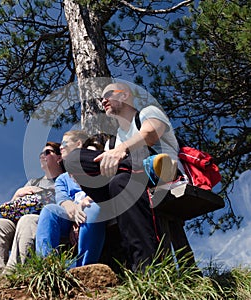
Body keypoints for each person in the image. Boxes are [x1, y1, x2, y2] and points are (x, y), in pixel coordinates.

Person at [64, 82, 190, 271]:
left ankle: (146, 270)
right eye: (101, 98)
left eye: (108, 94)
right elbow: (102, 169)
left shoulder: (148, 112)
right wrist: (85, 201)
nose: (102, 100)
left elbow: (150, 134)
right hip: (129, 178)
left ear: (124, 95)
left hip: (164, 179)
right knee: (75, 158)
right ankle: (149, 166)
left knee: (121, 182)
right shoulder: (113, 140)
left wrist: (122, 150)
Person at [0, 142, 64, 275]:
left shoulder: (64, 179)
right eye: (41, 154)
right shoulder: (33, 182)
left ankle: (14, 273)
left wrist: (42, 192)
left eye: (47, 152)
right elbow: (14, 207)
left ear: (59, 157)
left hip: (43, 221)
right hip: (19, 220)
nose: (43, 156)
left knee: (28, 220)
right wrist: (17, 194)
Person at [35, 130, 106, 267]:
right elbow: (64, 202)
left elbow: (104, 185)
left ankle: (84, 267)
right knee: (50, 210)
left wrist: (85, 204)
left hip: (93, 207)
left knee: (92, 209)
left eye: (64, 143)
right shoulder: (63, 179)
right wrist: (76, 216)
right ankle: (47, 265)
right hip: (73, 215)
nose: (61, 147)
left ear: (78, 143)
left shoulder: (94, 162)